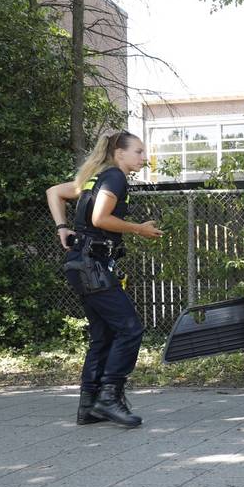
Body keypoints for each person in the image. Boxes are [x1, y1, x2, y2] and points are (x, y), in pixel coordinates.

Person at [45, 131, 163, 427]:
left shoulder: (93, 178)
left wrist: (62, 226)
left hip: (79, 265)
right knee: (129, 329)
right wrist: (139, 229)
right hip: (93, 266)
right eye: (137, 151)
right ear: (119, 153)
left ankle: (89, 406)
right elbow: (100, 219)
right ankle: (109, 396)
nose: (142, 158)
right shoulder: (114, 177)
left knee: (104, 334)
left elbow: (53, 192)